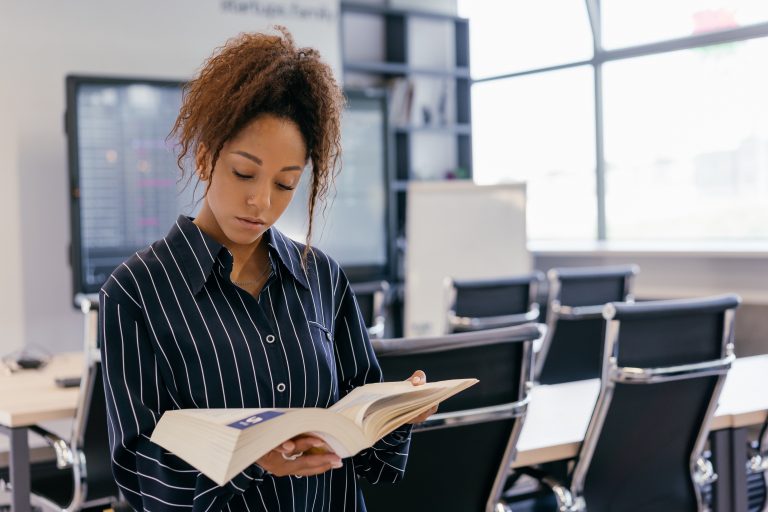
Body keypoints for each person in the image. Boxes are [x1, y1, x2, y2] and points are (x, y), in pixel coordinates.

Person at [99, 27, 435, 512]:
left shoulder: (323, 278)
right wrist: (250, 461)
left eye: (285, 184)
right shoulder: (136, 291)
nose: (261, 201)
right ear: (205, 157)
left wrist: (397, 415)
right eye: (243, 173)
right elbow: (140, 474)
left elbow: (373, 465)